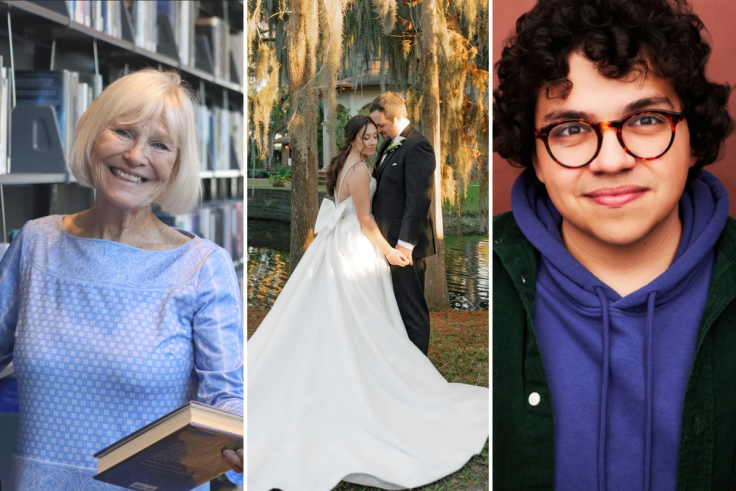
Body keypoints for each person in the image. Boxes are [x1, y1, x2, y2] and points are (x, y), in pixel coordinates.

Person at [492, 0, 736, 489]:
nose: (610, 161)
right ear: (535, 158)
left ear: (691, 134)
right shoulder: (495, 282)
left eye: (645, 119)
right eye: (571, 129)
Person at [0, 69, 243, 490]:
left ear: (177, 163)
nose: (135, 156)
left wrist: (241, 434)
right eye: (124, 132)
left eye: (160, 144)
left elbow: (227, 401)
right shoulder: (35, 243)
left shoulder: (204, 266)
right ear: (93, 135)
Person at [247, 115, 488, 490]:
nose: (373, 141)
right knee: (359, 317)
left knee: (335, 316)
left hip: (335, 244)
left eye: (376, 136)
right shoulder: (359, 170)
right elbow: (364, 220)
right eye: (367, 136)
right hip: (352, 247)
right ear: (354, 139)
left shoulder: (347, 163)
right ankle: (359, 380)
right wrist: (390, 252)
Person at [370, 93, 436, 355]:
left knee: (411, 311)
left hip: (405, 246)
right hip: (388, 244)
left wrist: (405, 245)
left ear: (397, 117)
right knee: (394, 308)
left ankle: (419, 371)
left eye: (382, 125)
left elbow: (419, 200)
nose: (378, 131)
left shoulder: (417, 146)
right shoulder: (391, 144)